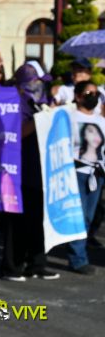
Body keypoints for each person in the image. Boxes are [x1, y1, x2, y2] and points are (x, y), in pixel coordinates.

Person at [0, 63, 59, 281]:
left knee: (39, 219)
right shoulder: (13, 103)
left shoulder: (41, 103)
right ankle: (12, 266)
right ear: (23, 84)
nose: (39, 86)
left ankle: (37, 262)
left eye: (41, 82)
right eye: (35, 82)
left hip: (41, 170)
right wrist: (38, 119)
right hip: (19, 171)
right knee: (17, 222)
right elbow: (14, 134)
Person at [66, 80, 105, 274]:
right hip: (76, 172)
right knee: (78, 216)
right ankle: (78, 259)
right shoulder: (69, 117)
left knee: (89, 217)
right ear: (78, 96)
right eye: (89, 93)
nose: (93, 97)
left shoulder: (101, 120)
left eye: (96, 93)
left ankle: (76, 248)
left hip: (96, 174)